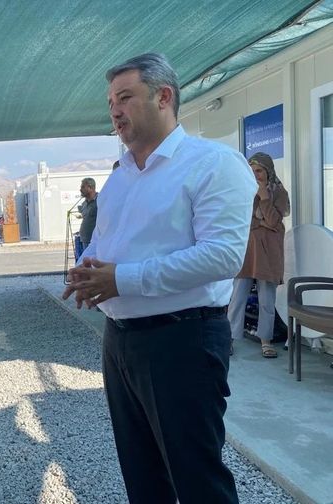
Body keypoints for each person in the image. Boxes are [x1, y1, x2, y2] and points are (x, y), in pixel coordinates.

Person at [62, 53, 257, 503]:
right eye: (111, 102)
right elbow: (104, 242)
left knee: (197, 480)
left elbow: (222, 256)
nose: (114, 111)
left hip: (182, 342)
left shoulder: (214, 164)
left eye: (125, 97)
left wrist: (122, 280)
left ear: (164, 97)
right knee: (143, 476)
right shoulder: (121, 177)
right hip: (120, 341)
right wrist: (87, 270)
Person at [227, 152, 290, 358]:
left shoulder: (279, 193)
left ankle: (266, 341)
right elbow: (242, 220)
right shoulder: (244, 191)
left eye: (260, 171)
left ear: (269, 171)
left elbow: (274, 222)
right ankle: (229, 338)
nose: (256, 175)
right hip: (246, 251)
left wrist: (264, 198)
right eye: (252, 171)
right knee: (237, 298)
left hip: (269, 252)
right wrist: (263, 222)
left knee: (266, 300)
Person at [78, 177, 98, 252]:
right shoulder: (84, 203)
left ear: (90, 188)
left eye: (83, 187)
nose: (80, 189)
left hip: (95, 241)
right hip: (84, 240)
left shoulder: (99, 200)